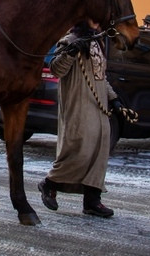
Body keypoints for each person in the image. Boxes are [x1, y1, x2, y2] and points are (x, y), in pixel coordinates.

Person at [37, 19, 133, 219]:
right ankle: (50, 183)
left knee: (99, 152)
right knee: (79, 150)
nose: (97, 22)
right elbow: (56, 69)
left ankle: (92, 200)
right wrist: (71, 52)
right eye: (93, 19)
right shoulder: (69, 40)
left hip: (98, 106)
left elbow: (100, 76)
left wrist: (114, 99)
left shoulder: (98, 43)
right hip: (78, 104)